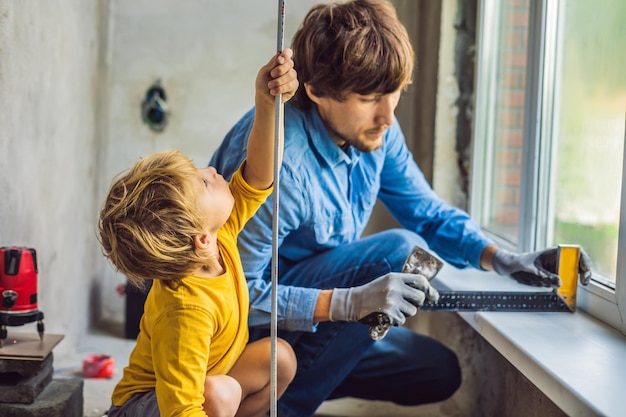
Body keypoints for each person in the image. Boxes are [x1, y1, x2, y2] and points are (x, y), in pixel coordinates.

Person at [210, 1, 592, 416]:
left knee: (435, 371)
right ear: (316, 91)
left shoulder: (373, 130)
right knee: (399, 252)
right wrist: (344, 305)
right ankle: (278, 408)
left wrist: (502, 259)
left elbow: (424, 211)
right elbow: (232, 295)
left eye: (394, 92)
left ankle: (300, 378)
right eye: (369, 97)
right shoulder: (282, 162)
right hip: (244, 336)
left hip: (312, 324)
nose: (388, 116)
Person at [98, 49, 299, 417]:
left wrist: (266, 102)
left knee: (278, 358)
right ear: (199, 239)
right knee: (218, 394)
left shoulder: (215, 239)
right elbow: (182, 408)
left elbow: (259, 174)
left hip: (199, 389)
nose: (210, 169)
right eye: (205, 183)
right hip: (144, 408)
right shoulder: (186, 311)